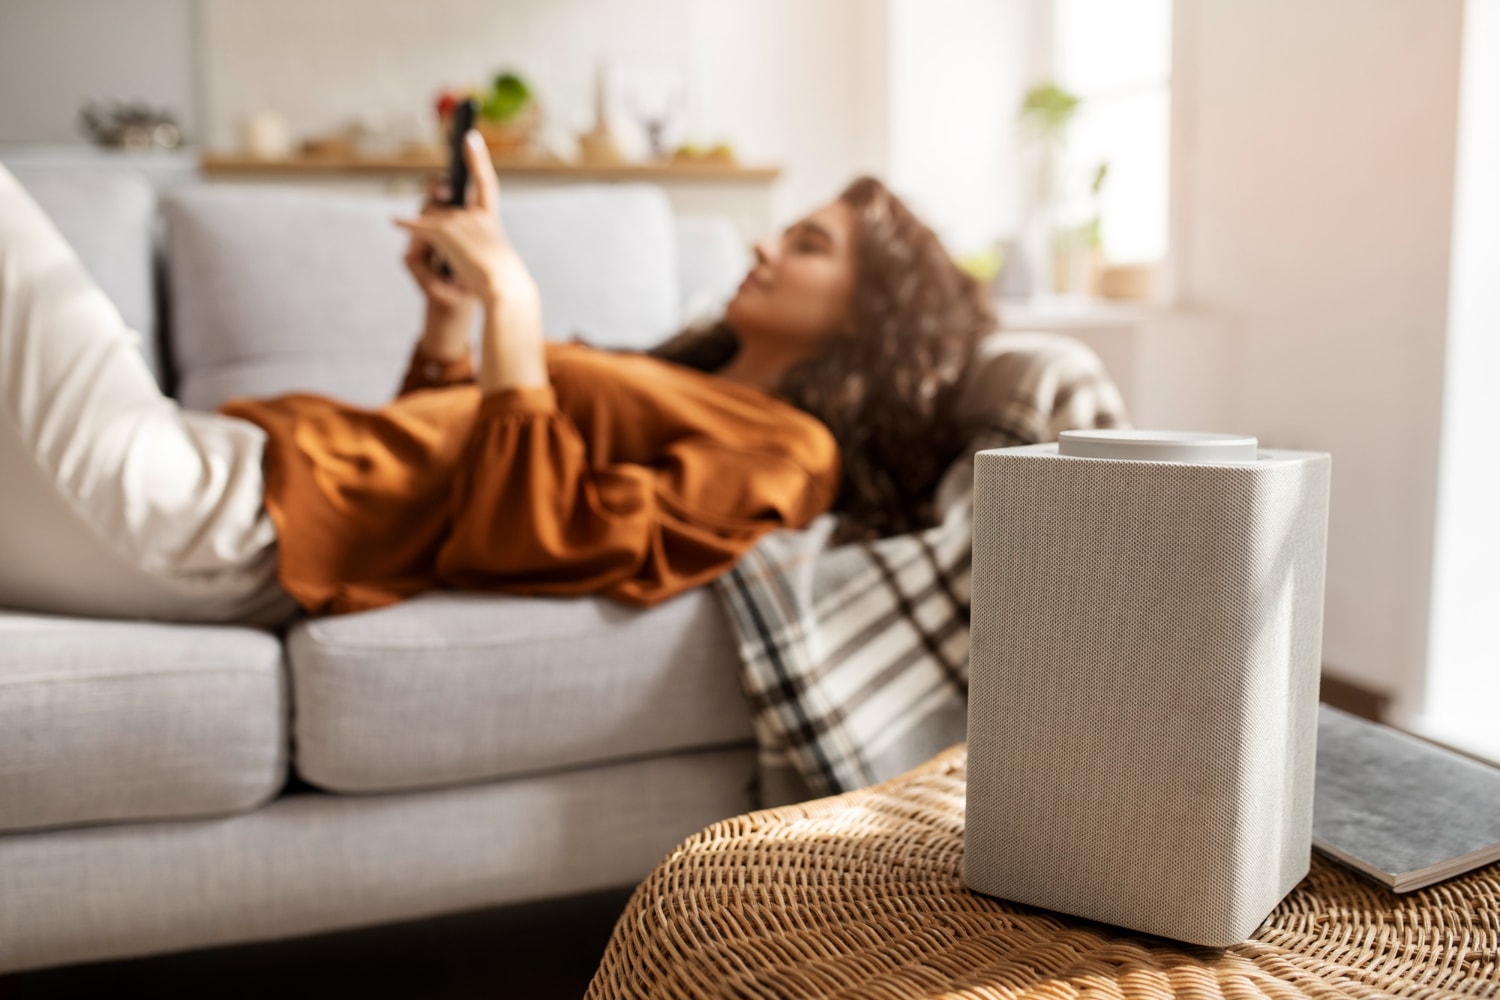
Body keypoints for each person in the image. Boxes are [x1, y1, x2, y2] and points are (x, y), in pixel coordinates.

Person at [0, 132, 993, 626]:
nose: (768, 243)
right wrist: (452, 326)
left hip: (219, 518)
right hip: (225, 471)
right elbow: (426, 460)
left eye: (810, 244)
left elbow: (540, 538)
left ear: (865, 316)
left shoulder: (789, 452)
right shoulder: (687, 378)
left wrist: (515, 303)